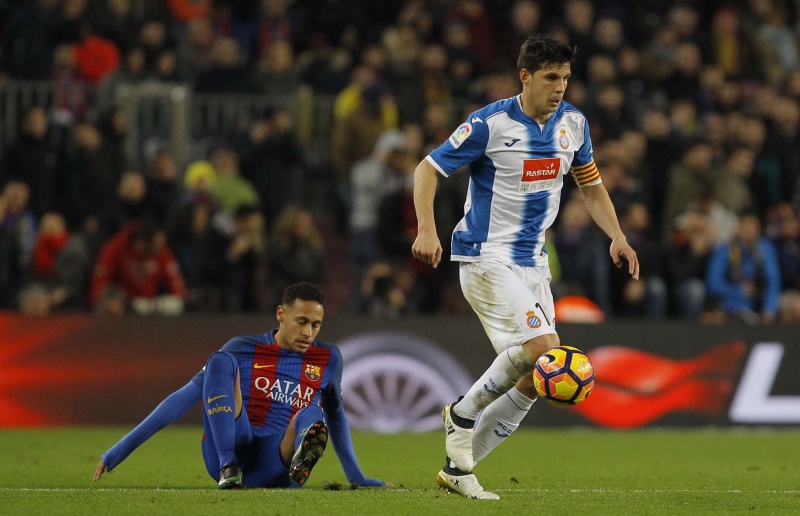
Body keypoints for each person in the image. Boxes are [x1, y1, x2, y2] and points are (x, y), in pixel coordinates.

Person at [411, 33, 639, 499]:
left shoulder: (574, 123)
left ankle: (458, 468)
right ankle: (461, 415)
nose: (560, 87)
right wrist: (427, 229)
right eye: (551, 77)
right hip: (485, 254)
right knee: (545, 347)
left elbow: (591, 186)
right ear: (526, 77)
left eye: (566, 78)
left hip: (534, 263)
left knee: (536, 380)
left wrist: (617, 235)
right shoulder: (489, 124)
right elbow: (427, 169)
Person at [93, 282, 387, 490]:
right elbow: (181, 400)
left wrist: (357, 477)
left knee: (313, 413)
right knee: (220, 361)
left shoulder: (328, 358)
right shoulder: (242, 348)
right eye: (301, 322)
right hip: (236, 442)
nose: (308, 332)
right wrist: (119, 450)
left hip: (276, 457)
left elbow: (336, 415)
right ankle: (228, 466)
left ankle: (300, 460)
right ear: (281, 314)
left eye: (316, 324)